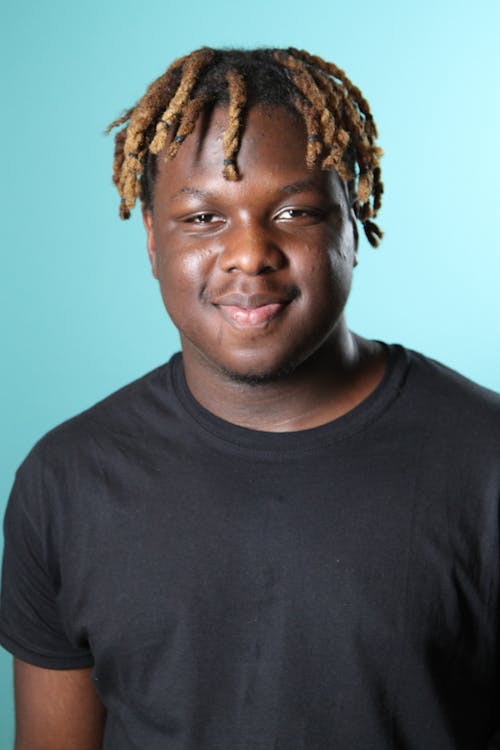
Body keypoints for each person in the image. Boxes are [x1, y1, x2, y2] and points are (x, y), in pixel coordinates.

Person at [1, 46, 499, 750]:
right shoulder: (66, 480)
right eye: (203, 220)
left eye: (295, 210)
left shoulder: (485, 461)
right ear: (151, 239)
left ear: (350, 229)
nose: (249, 254)